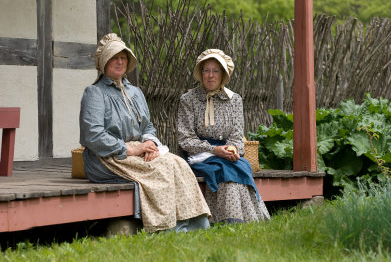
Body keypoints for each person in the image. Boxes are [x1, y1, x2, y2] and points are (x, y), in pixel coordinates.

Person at [79, 33, 211, 233]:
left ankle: (194, 224)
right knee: (160, 171)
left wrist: (150, 144)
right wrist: (131, 150)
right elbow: (93, 135)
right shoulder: (95, 93)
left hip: (138, 150)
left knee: (178, 164)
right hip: (106, 156)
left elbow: (147, 127)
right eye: (114, 57)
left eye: (123, 57)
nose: (120, 61)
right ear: (104, 61)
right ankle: (168, 227)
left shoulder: (135, 92)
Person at [177, 49, 270, 224]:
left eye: (215, 71)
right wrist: (214, 150)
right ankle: (230, 220)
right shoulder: (188, 99)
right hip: (199, 155)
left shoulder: (234, 100)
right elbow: (185, 139)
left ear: (223, 75)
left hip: (226, 152)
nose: (210, 76)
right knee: (223, 169)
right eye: (206, 70)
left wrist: (233, 149)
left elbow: (236, 135)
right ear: (200, 73)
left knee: (241, 165)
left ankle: (241, 219)